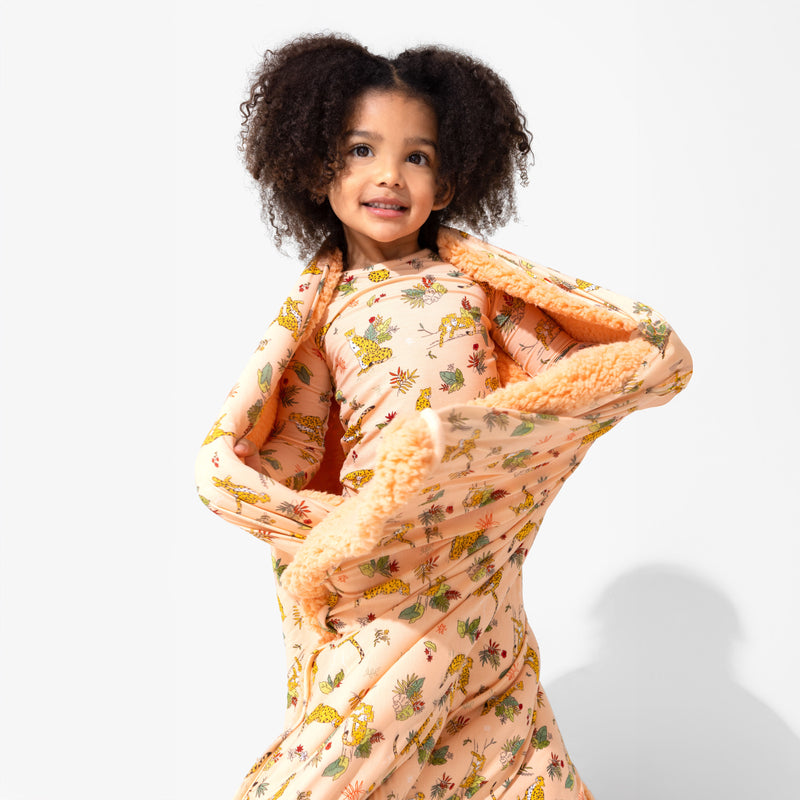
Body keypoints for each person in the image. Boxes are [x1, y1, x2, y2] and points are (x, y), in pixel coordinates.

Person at [195, 33, 692, 800]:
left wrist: (475, 447)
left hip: (473, 560)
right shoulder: (321, 316)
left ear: (449, 180)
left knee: (505, 748)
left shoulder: (478, 291)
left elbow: (574, 381)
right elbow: (287, 453)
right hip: (381, 573)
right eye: (361, 149)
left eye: (417, 156)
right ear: (318, 166)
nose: (388, 175)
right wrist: (341, 533)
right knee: (338, 759)